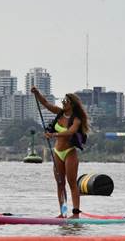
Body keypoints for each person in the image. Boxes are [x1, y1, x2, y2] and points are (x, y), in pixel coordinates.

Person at [31, 87, 90, 218]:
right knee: (60, 183)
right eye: (63, 100)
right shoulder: (59, 113)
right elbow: (46, 104)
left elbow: (71, 132)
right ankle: (63, 213)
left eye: (66, 101)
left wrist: (53, 134)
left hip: (69, 152)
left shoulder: (76, 119)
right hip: (57, 152)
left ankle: (75, 214)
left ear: (71, 104)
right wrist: (37, 93)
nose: (63, 102)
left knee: (71, 183)